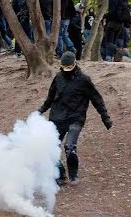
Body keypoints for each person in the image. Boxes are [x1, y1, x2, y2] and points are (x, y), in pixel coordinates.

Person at [38, 51, 113, 185]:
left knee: (70, 147)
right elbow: (50, 98)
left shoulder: (84, 80)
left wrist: (105, 117)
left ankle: (73, 175)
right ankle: (59, 175)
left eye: (69, 67)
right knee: (50, 147)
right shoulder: (58, 77)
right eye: (64, 67)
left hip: (75, 118)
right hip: (57, 117)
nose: (66, 70)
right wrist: (40, 111)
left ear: (75, 64)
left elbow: (97, 99)